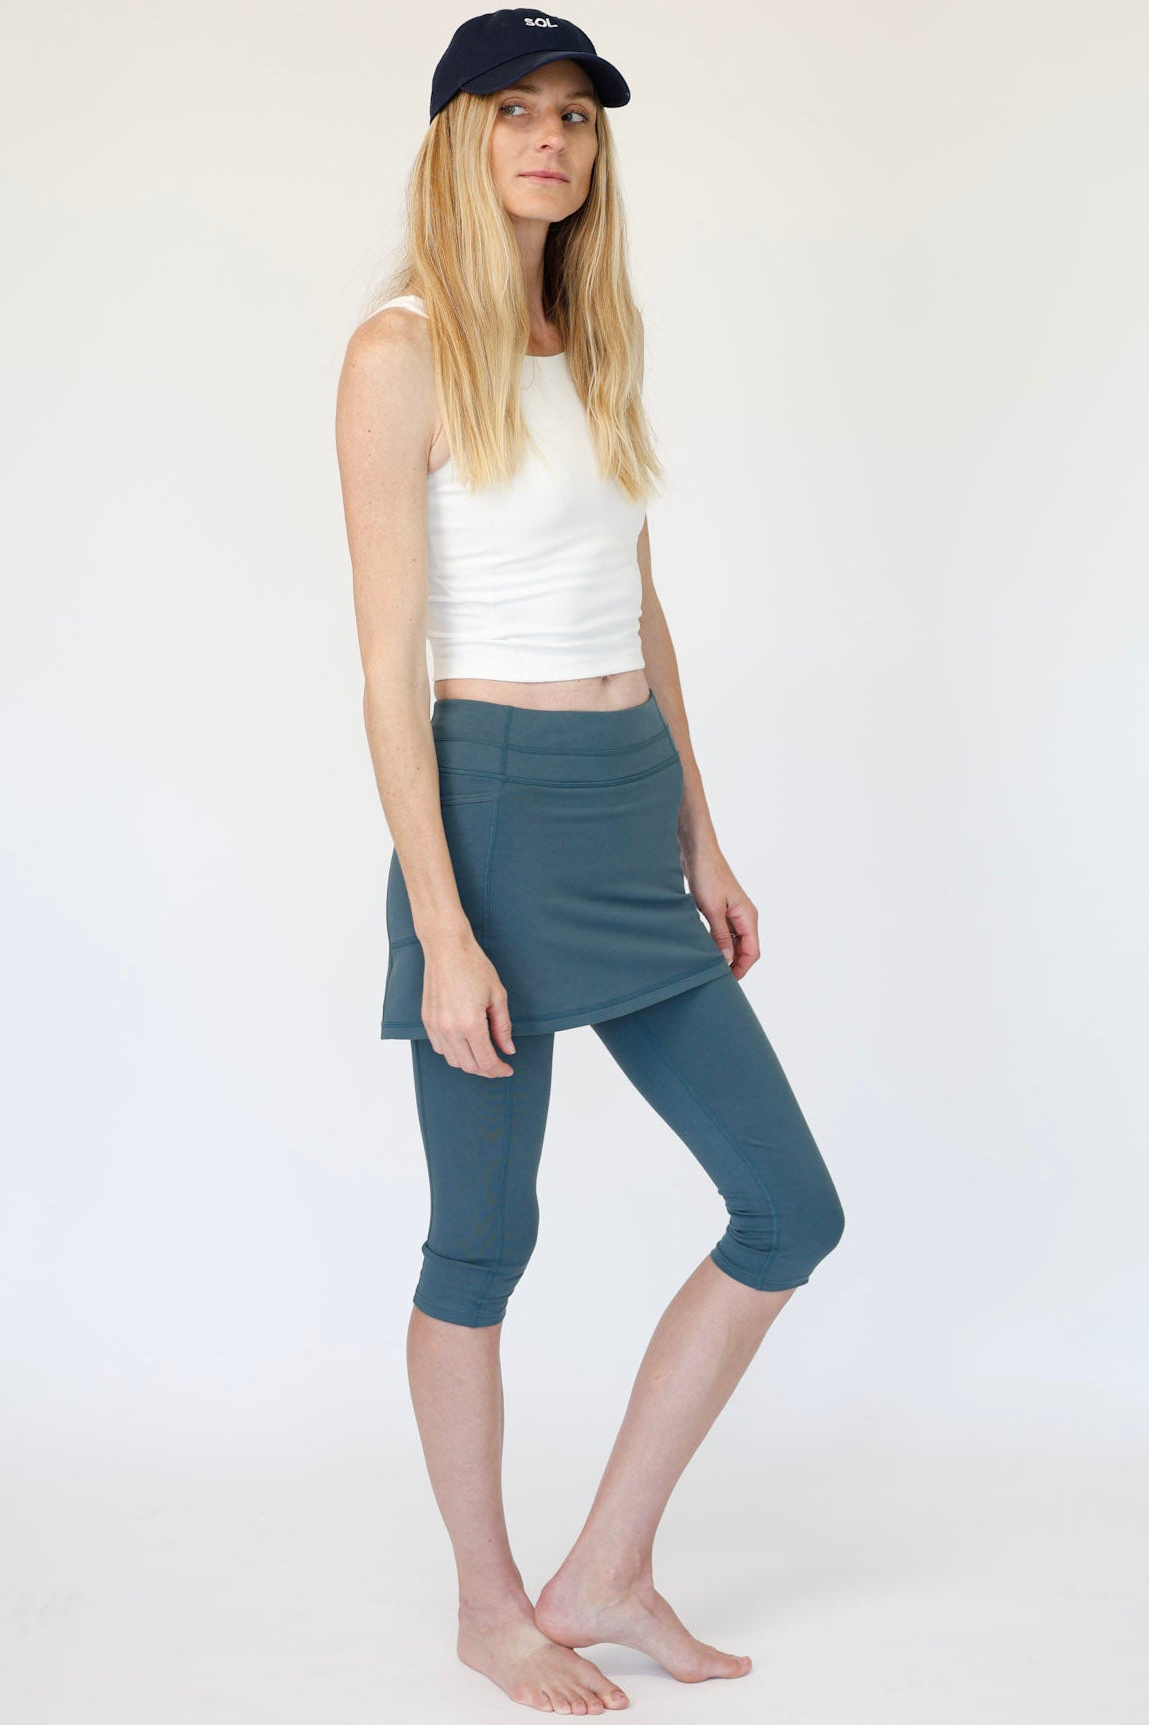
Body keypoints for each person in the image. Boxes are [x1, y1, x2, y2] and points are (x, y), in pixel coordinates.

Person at [335, 11, 846, 1716]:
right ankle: (494, 1606)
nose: (549, 140)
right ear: (458, 139)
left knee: (789, 1205)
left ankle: (605, 1565)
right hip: (488, 811)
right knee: (481, 1241)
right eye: (515, 112)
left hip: (630, 804)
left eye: (572, 117)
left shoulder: (593, 340)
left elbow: (639, 604)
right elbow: (387, 668)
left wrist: (702, 829)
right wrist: (442, 921)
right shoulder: (401, 351)